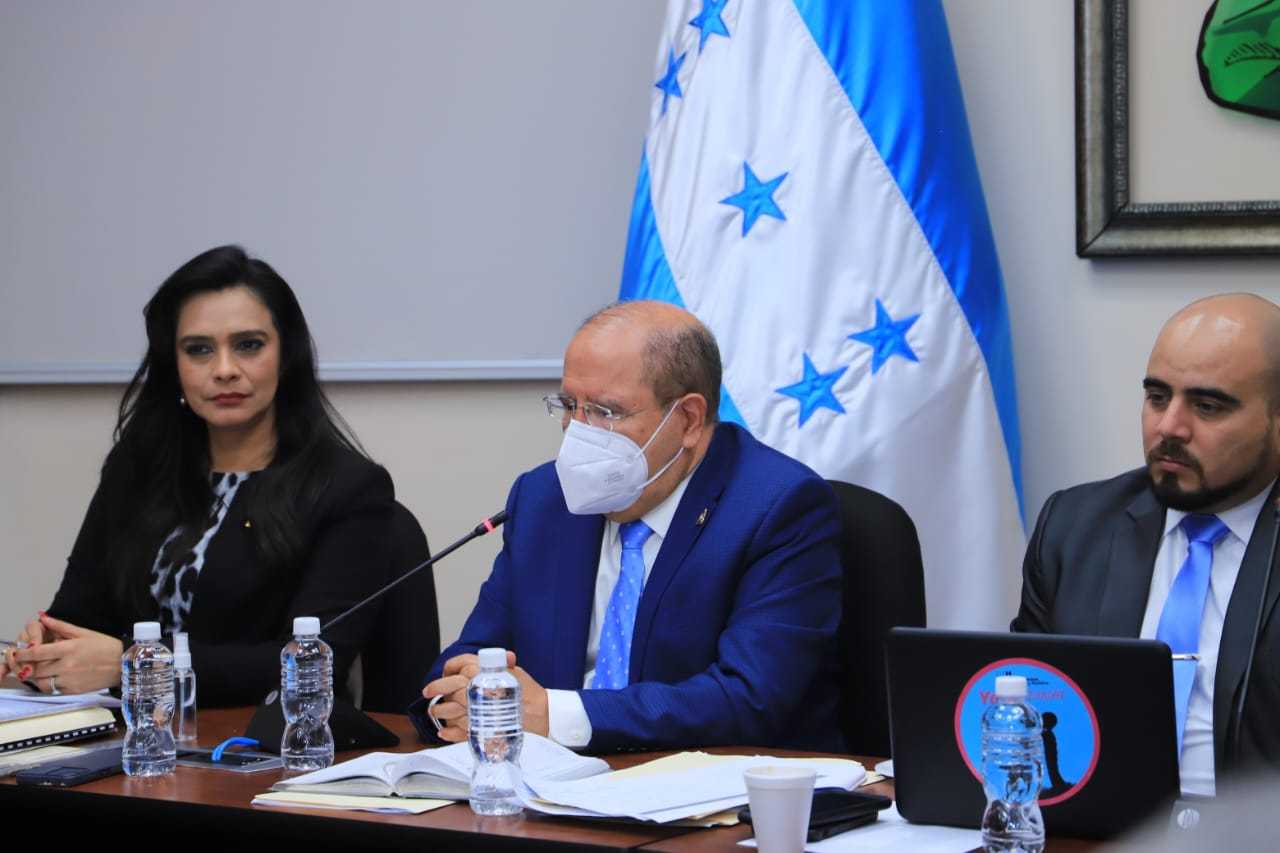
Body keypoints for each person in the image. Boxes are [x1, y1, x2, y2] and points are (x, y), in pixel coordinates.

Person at [415, 300, 844, 753]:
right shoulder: (546, 499)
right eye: (569, 405)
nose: (577, 432)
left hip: (713, 781)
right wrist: (459, 698)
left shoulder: (776, 507)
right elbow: (473, 655)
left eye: (605, 411)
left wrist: (557, 716)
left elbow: (750, 697)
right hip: (548, 781)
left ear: (689, 419)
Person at [1, 245, 396, 706]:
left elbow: (311, 665)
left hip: (261, 740)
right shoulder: (136, 469)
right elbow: (76, 616)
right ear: (174, 365)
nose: (224, 370)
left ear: (286, 355)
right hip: (126, 736)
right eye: (199, 350)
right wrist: (48, 648)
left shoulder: (348, 487)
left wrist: (136, 664)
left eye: (249, 345)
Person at [1012, 293, 1280, 796]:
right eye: (1157, 397)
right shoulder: (1075, 527)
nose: (1169, 427)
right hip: (1094, 826)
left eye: (1207, 406)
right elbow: (1028, 703)